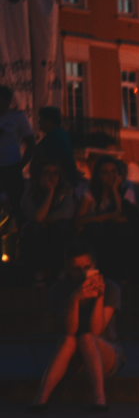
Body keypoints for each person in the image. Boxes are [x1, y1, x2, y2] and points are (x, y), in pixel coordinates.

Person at [30, 240, 123, 412]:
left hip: (106, 353)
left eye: (87, 267)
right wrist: (74, 299)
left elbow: (96, 331)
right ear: (66, 269)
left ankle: (100, 399)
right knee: (68, 340)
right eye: (76, 269)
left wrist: (99, 296)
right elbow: (69, 330)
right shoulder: (58, 290)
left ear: (94, 265)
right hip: (74, 355)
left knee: (87, 337)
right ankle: (40, 400)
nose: (82, 273)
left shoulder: (110, 288)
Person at [74, 154, 139, 281]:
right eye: (105, 173)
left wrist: (114, 190)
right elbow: (78, 220)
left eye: (114, 172)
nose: (110, 176)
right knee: (94, 229)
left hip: (116, 233)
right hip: (97, 233)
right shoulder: (91, 191)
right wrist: (107, 216)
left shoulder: (126, 189)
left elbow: (122, 213)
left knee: (123, 229)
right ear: (98, 175)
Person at [20, 157, 77, 282]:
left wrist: (47, 219)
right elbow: (36, 218)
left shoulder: (65, 192)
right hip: (38, 232)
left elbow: (67, 213)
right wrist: (50, 193)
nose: (51, 177)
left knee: (63, 226)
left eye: (55, 173)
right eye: (46, 172)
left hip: (56, 231)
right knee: (33, 228)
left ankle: (60, 270)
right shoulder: (29, 194)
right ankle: (38, 271)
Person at [0, 85, 36, 223]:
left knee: (18, 206)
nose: (3, 107)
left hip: (11, 165)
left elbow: (31, 144)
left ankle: (21, 237)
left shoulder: (18, 117)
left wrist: (19, 166)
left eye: (6, 103)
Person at [36, 106, 81, 189]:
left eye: (41, 120)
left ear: (49, 121)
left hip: (59, 183)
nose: (38, 122)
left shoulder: (54, 137)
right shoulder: (61, 134)